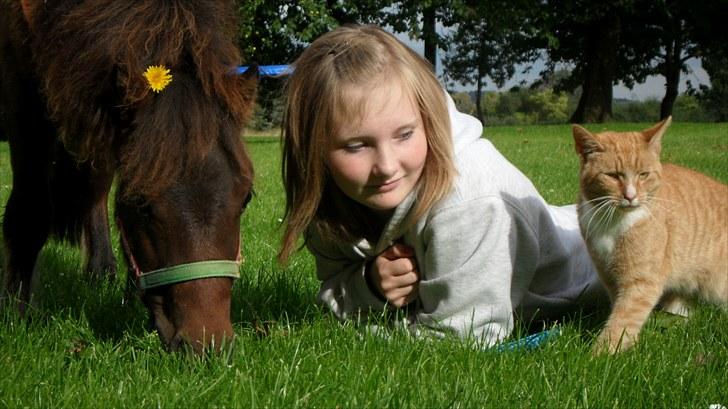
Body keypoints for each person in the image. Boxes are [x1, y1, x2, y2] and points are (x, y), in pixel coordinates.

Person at [278, 25, 608, 346]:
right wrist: (371, 286)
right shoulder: (333, 192)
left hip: (598, 258)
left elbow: (462, 340)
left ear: (427, 118)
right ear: (314, 151)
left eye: (405, 134)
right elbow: (334, 291)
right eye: (355, 146)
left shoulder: (470, 202)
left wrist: (364, 328)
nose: (387, 166)